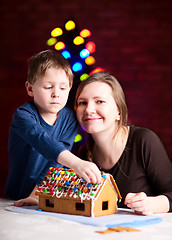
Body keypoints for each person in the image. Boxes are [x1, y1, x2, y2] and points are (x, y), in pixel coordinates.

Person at [5, 50, 101, 206]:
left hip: (43, 194)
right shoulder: (23, 116)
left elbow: (55, 163)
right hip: (15, 195)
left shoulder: (70, 119)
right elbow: (43, 141)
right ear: (30, 89)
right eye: (48, 87)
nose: (56, 94)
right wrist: (77, 163)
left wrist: (37, 194)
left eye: (63, 88)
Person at [75, 71, 172, 215]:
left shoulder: (144, 141)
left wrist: (150, 204)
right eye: (82, 103)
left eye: (100, 101)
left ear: (119, 111)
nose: (88, 110)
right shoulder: (84, 155)